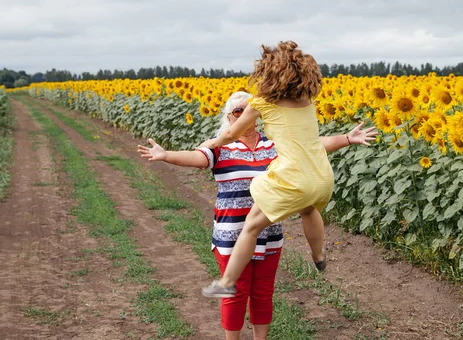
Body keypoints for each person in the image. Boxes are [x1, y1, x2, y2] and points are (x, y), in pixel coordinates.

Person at [138, 90, 377, 339]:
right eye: (237, 111)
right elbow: (197, 158)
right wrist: (166, 156)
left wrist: (347, 138)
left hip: (269, 232)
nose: (244, 115)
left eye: (248, 110)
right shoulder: (221, 146)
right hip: (231, 234)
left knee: (263, 292)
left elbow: (314, 146)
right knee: (236, 291)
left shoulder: (272, 144)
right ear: (230, 118)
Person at [201, 41, 369, 298]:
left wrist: (212, 143)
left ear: (269, 74)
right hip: (321, 177)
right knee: (308, 208)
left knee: (251, 227)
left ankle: (227, 282)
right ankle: (319, 254)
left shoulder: (263, 103)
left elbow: (231, 134)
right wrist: (346, 137)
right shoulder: (307, 102)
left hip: (292, 180)